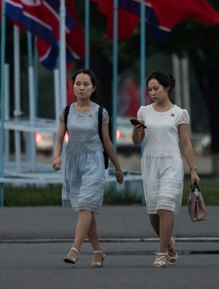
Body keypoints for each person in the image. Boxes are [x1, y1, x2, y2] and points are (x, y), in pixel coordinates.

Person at [53, 69, 124, 268]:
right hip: (73, 163)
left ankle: (75, 249)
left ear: (93, 88)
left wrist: (118, 167)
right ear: (73, 86)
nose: (81, 87)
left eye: (86, 84)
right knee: (86, 210)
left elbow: (108, 142)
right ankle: (98, 251)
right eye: (78, 83)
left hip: (94, 162)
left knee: (85, 206)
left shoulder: (101, 112)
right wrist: (56, 157)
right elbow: (59, 139)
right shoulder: (66, 112)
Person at [132, 70, 200, 268]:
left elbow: (186, 143)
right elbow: (137, 142)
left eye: (156, 88)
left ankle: (161, 253)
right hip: (151, 163)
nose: (152, 93)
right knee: (153, 213)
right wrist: (137, 131)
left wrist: (193, 170)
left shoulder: (179, 113)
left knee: (165, 206)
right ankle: (168, 242)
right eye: (150, 89)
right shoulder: (144, 111)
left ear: (167, 87)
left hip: (171, 163)